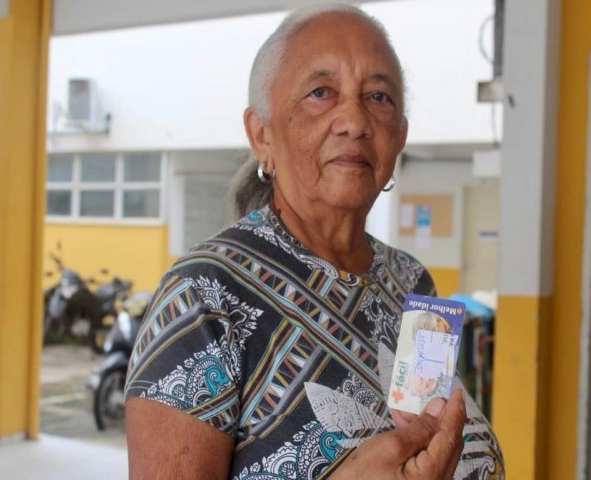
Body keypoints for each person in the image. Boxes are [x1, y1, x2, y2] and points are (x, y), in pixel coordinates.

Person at [125, 4, 505, 479]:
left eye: (379, 97)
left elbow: (433, 429)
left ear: (400, 136)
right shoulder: (202, 297)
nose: (355, 120)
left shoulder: (412, 283)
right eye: (321, 93)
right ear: (261, 134)